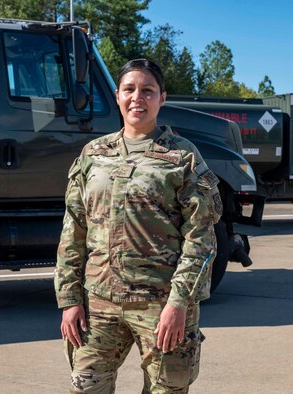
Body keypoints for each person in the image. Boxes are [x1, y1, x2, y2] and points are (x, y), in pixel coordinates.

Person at [54, 58, 222, 393]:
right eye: (129, 90)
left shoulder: (182, 157)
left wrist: (179, 303)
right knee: (86, 387)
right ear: (117, 96)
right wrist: (69, 299)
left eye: (148, 91)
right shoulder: (93, 154)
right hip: (98, 302)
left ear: (162, 98)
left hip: (160, 305)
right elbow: (74, 229)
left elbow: (201, 239)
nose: (137, 98)